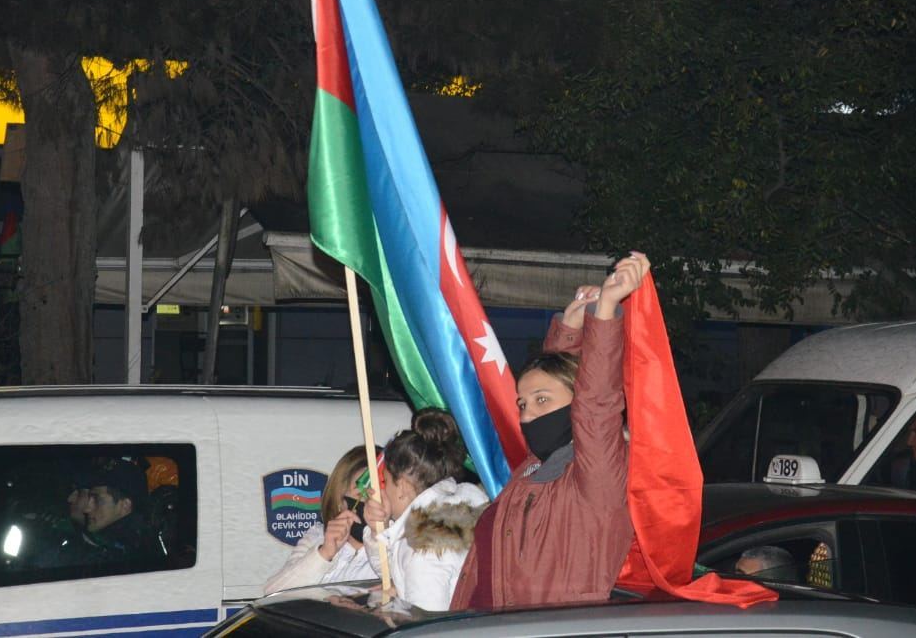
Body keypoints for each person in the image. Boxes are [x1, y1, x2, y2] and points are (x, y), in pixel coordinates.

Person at [450, 252, 649, 610]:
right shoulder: (533, 469)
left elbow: (595, 406)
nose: (528, 415)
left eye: (541, 401)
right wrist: (570, 326)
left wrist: (604, 313)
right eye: (523, 404)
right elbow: (560, 379)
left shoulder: (596, 479)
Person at [362, 409, 488, 611]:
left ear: (402, 486)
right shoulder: (461, 508)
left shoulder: (423, 545)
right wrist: (380, 530)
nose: (381, 488)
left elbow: (427, 627)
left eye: (385, 480)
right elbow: (395, 572)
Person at [264, 445, 381, 594]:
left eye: (379, 497)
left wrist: (378, 539)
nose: (372, 504)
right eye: (362, 495)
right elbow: (273, 593)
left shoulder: (395, 546)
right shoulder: (318, 535)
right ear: (340, 500)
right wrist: (324, 553)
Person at [81, 459, 157, 563]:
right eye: (89, 498)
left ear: (125, 506)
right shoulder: (107, 547)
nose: (86, 509)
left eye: (97, 500)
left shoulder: (138, 558)